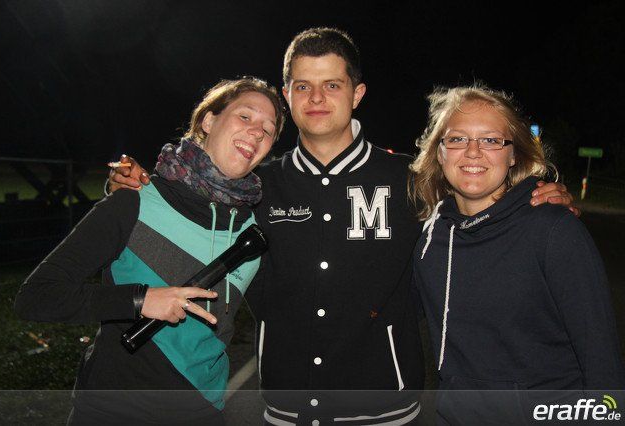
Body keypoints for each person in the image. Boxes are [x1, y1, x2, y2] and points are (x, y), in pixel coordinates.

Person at [109, 29, 576, 425]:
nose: (316, 98)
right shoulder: (256, 186)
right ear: (287, 95)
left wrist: (534, 201)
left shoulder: (411, 180)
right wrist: (139, 189)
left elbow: (482, 208)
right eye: (303, 86)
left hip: (385, 408)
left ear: (357, 94)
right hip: (285, 407)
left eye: (332, 85)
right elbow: (191, 201)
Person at [15, 77, 285, 425]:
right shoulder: (135, 201)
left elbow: (285, 309)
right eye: (245, 116)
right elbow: (36, 296)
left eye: (268, 129)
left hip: (203, 413)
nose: (257, 132)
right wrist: (140, 300)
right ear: (209, 120)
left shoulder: (253, 230)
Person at [410, 85, 625, 424]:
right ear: (440, 152)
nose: (473, 152)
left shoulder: (554, 230)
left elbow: (602, 362)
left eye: (491, 140)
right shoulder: (430, 239)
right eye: (458, 139)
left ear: (513, 156)